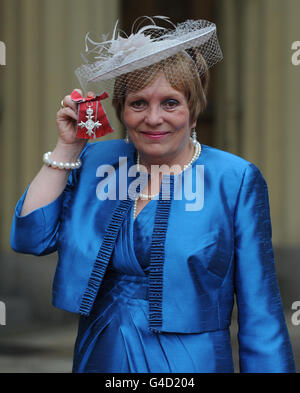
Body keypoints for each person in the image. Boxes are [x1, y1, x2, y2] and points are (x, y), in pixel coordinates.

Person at [10, 17, 295, 373]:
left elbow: (261, 309)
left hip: (190, 362)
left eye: (171, 103)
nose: (154, 118)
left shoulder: (233, 178)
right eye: (139, 103)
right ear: (122, 111)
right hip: (101, 354)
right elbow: (29, 239)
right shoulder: (99, 162)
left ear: (193, 113)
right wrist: (67, 149)